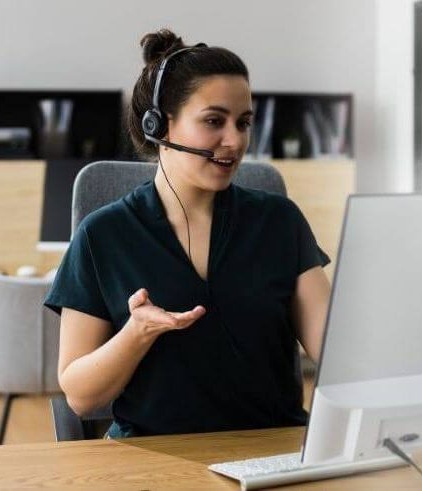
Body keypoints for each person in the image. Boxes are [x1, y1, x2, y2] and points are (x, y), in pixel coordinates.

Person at [45, 29, 332, 438]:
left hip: (274, 455)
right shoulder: (103, 235)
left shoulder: (280, 222)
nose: (234, 141)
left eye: (244, 123)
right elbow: (81, 397)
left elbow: (337, 355)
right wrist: (138, 331)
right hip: (157, 459)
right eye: (214, 121)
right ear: (159, 125)